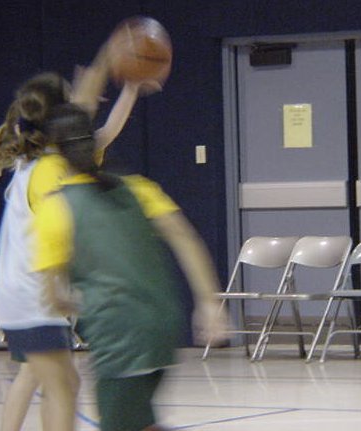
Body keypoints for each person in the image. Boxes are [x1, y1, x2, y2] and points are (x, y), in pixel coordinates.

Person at [0, 40, 159, 431]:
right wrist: (108, 60)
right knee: (64, 387)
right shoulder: (53, 165)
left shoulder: (32, 159)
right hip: (35, 295)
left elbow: (99, 130)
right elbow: (92, 122)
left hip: (18, 295)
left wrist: (125, 87)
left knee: (38, 378)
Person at [33, 103, 230, 431]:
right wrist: (209, 303)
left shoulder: (55, 208)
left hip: (117, 335)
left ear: (55, 154)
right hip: (162, 325)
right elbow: (185, 237)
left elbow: (54, 298)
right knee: (139, 420)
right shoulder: (137, 188)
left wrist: (77, 302)